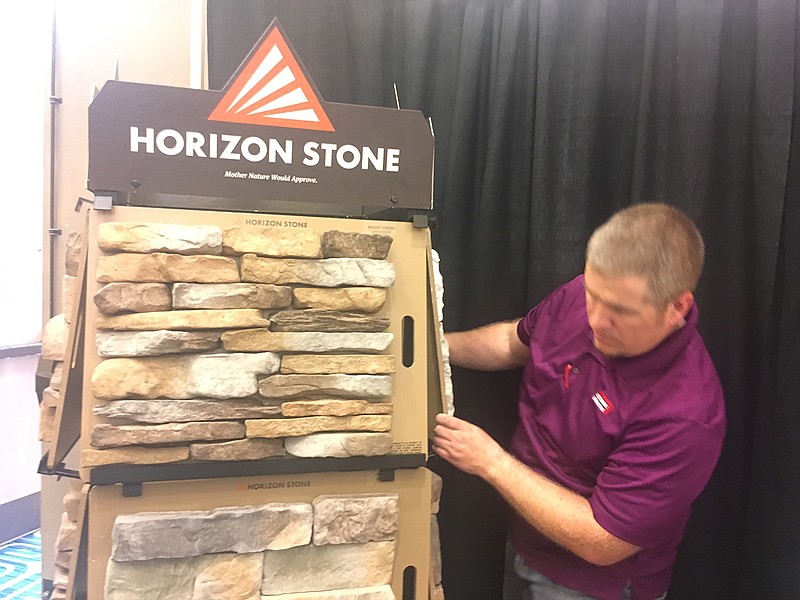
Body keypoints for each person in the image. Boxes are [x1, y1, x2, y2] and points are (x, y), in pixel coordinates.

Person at [432, 203, 726, 600]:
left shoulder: (685, 415)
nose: (594, 319)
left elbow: (602, 540)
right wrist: (434, 348)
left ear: (677, 308)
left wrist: (490, 461)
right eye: (592, 294)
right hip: (524, 539)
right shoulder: (584, 296)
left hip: (590, 585)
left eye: (620, 311)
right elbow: (511, 342)